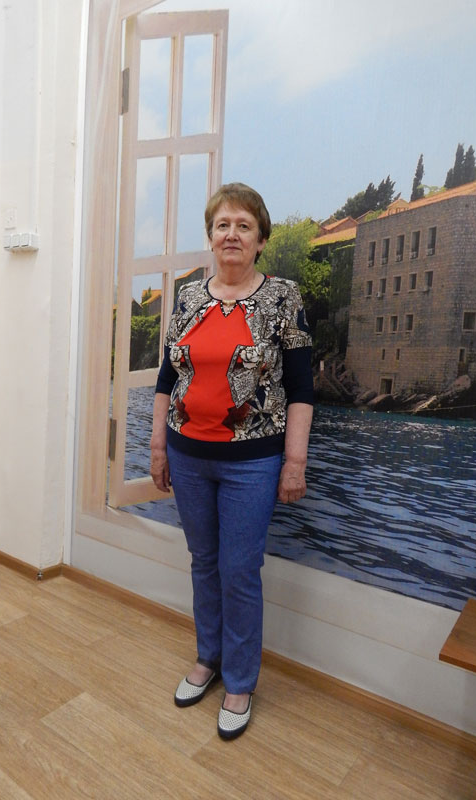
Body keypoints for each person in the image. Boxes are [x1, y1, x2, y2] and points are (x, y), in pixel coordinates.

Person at [150, 182, 313, 740]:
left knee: (239, 570)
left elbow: (301, 389)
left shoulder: (283, 298)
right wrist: (157, 446)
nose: (232, 234)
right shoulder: (188, 298)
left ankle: (240, 681)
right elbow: (167, 378)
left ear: (261, 240)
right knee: (203, 561)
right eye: (223, 225)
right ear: (211, 236)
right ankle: (209, 658)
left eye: (244, 226)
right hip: (186, 454)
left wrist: (295, 462)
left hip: (253, 463)